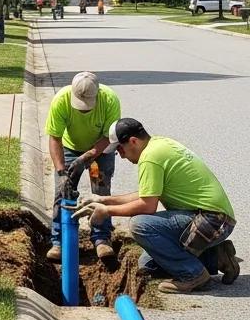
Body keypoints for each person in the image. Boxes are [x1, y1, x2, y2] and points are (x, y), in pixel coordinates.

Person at [73, 118, 239, 293]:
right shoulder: (158, 145)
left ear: (133, 141)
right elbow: (147, 194)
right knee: (148, 265)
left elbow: (147, 206)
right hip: (213, 219)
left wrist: (107, 211)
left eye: (120, 149)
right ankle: (218, 257)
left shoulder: (150, 157)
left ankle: (194, 276)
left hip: (212, 220)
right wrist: (104, 200)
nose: (121, 155)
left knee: (140, 226)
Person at [45, 72, 120, 262]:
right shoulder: (61, 100)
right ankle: (59, 241)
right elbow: (55, 138)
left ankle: (101, 238)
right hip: (70, 149)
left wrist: (86, 157)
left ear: (97, 94)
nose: (84, 110)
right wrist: (62, 171)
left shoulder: (109, 100)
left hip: (99, 154)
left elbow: (108, 138)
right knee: (63, 191)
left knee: (100, 189)